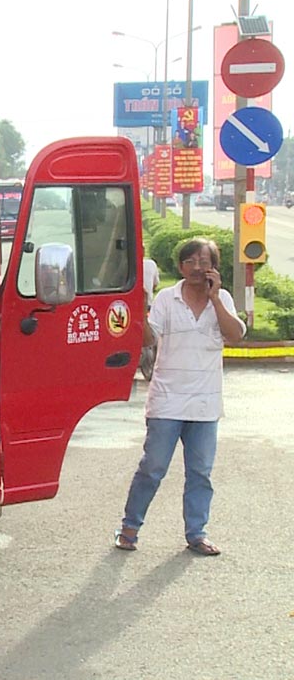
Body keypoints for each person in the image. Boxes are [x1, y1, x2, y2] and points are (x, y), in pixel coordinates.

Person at [114, 237, 246, 557]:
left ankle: (197, 533)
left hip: (205, 403)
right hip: (167, 400)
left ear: (214, 267)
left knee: (200, 472)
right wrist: (139, 313)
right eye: (191, 262)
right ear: (180, 266)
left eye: (205, 262)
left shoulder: (223, 299)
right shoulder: (166, 298)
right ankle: (130, 527)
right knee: (153, 467)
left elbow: (236, 334)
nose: (198, 268)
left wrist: (215, 299)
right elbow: (148, 339)